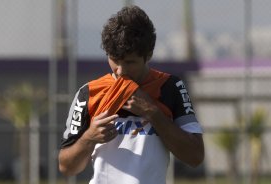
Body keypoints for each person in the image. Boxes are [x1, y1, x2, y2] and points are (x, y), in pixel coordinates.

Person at [58, 5, 204, 184]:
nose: (120, 71)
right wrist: (89, 137)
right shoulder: (89, 93)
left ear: (148, 55)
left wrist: (153, 113)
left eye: (129, 62)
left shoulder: (170, 87)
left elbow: (195, 156)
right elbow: (67, 167)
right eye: (114, 60)